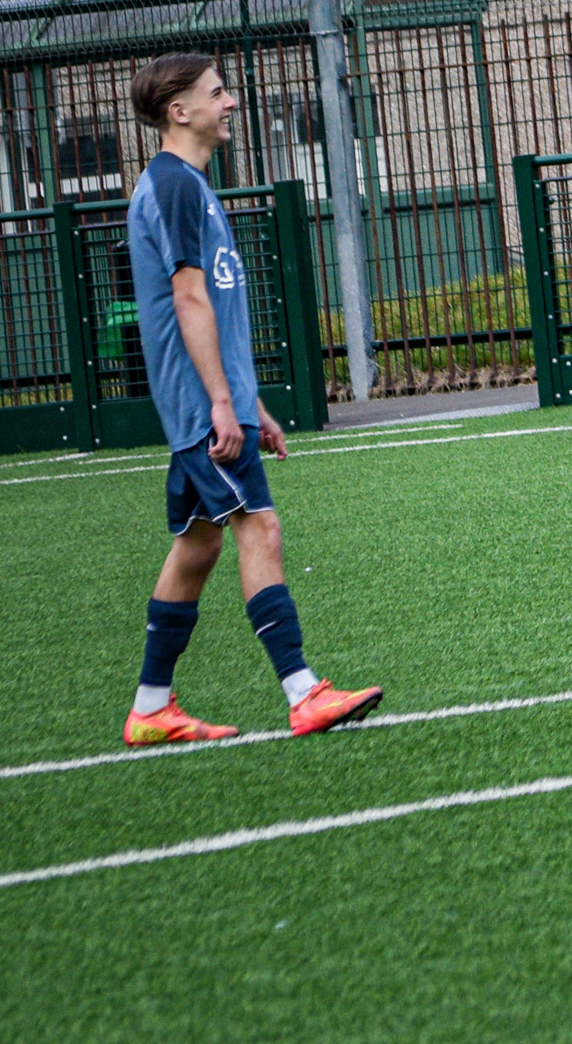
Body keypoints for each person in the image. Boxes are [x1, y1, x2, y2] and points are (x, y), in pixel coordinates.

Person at [121, 53, 384, 746]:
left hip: (209, 403)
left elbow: (212, 306)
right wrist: (217, 402)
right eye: (217, 92)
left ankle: (151, 707)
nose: (230, 100)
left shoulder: (189, 184)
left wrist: (248, 402)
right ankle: (304, 693)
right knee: (259, 531)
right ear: (180, 111)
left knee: (198, 547)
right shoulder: (175, 187)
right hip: (198, 405)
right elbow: (187, 296)